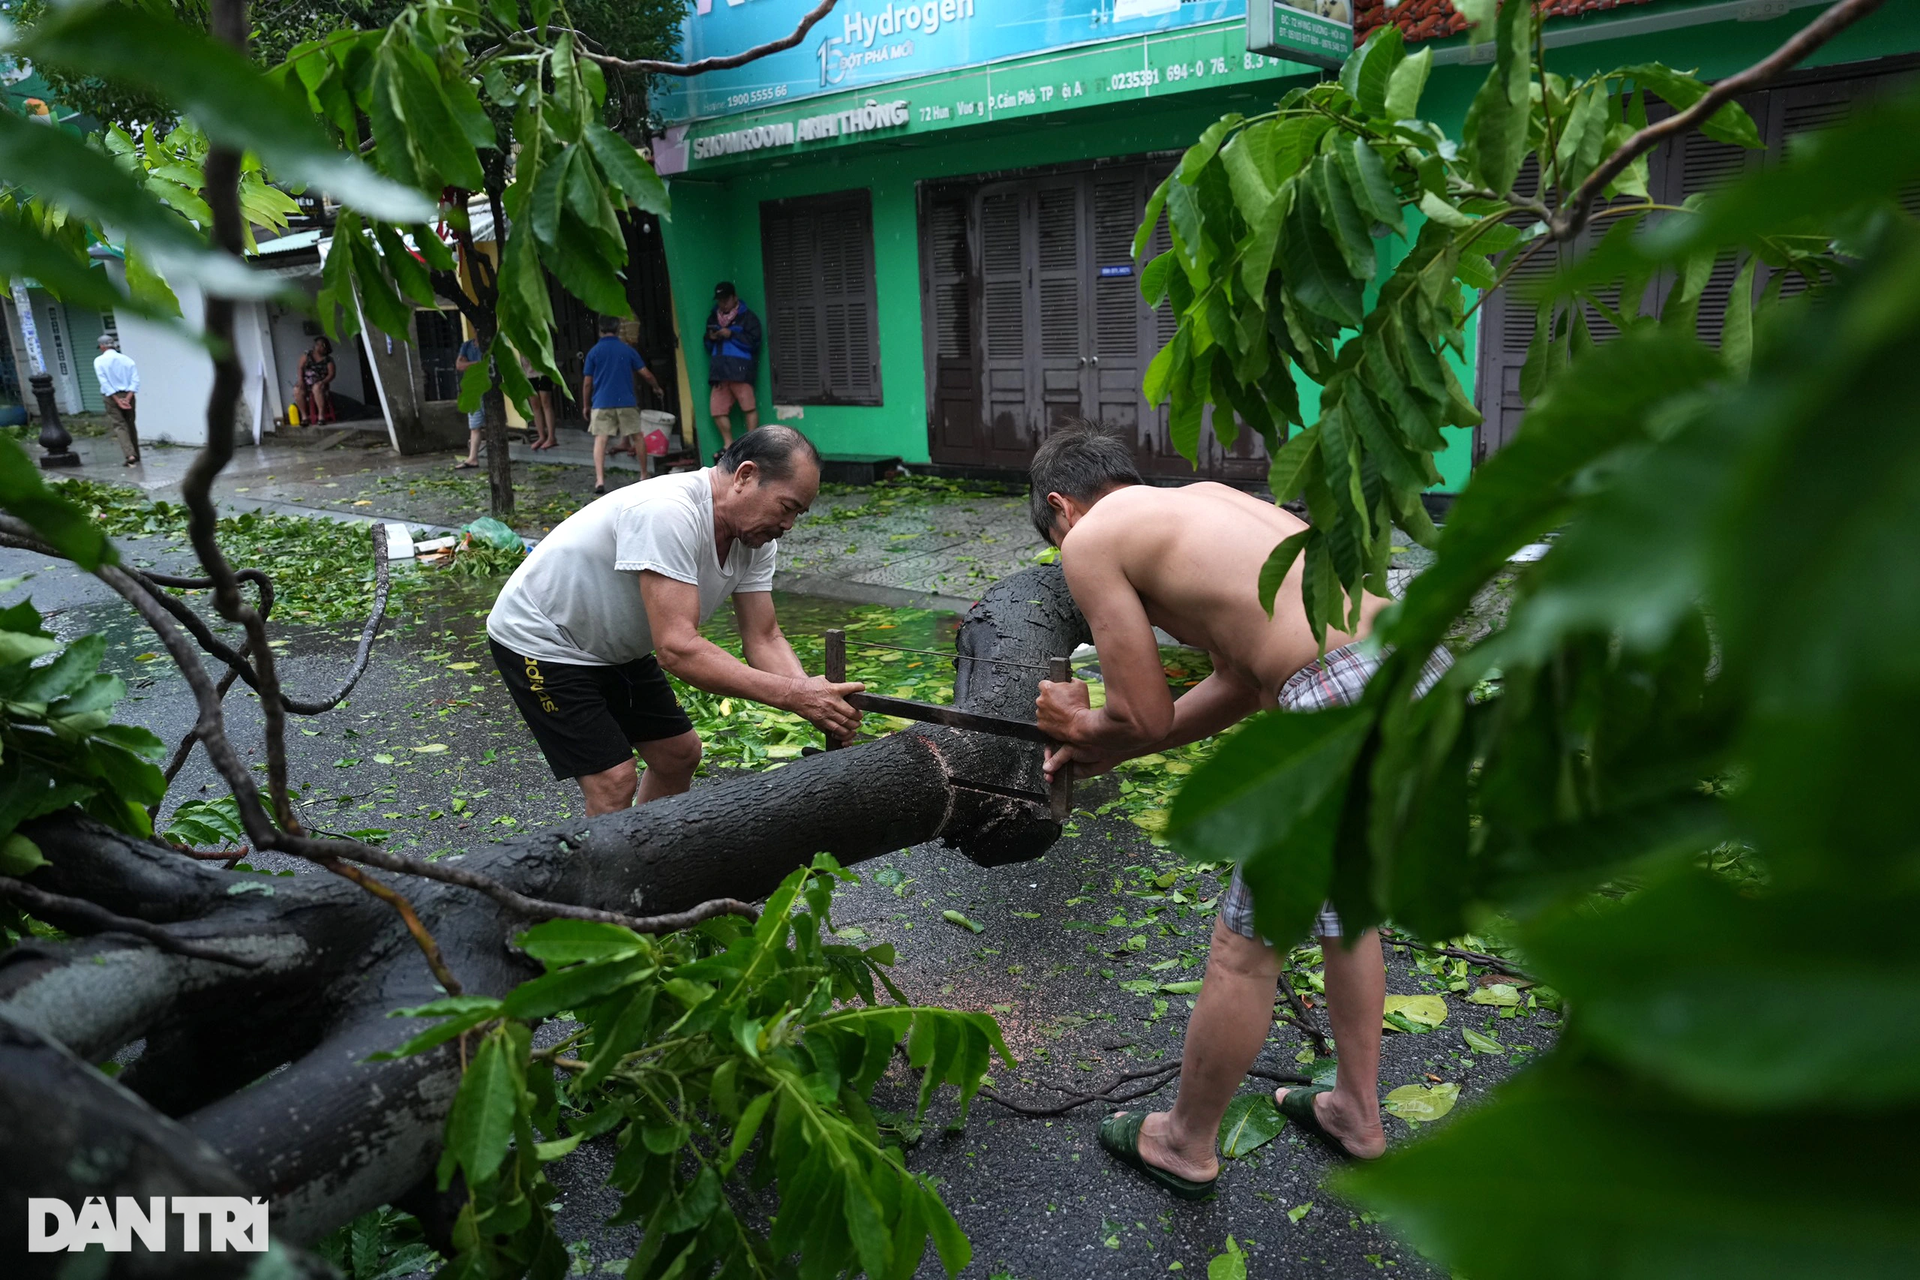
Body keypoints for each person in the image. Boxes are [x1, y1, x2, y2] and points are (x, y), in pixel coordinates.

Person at [1027, 422, 1452, 1193]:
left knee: (1244, 947)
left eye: (1057, 537)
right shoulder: (1208, 502)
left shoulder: (1090, 543)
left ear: (1063, 508)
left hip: (1339, 701)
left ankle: (1184, 1143)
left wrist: (1075, 723)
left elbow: (1145, 715)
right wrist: (1113, 747)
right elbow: (1245, 681)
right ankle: (1355, 1110)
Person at [486, 427, 863, 816]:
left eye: (798, 514)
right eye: (787, 507)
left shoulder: (754, 540)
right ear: (745, 476)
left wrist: (818, 702)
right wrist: (793, 695)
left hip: (615, 644)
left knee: (678, 755)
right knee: (613, 780)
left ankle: (650, 861)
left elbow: (764, 638)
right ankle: (610, 875)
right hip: (543, 639)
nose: (788, 525)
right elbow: (677, 649)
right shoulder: (668, 511)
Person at [582, 315, 664, 494]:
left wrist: (585, 405)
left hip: (601, 402)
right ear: (618, 329)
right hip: (626, 400)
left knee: (600, 439)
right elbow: (646, 374)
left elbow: (587, 383)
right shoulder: (627, 350)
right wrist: (656, 387)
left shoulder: (594, 352)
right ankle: (643, 475)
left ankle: (600, 480)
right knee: (637, 437)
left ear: (600, 330)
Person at [704, 281, 761, 453]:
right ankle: (728, 444)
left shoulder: (748, 317)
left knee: (748, 407)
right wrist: (711, 337)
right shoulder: (713, 317)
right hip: (720, 371)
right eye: (720, 300)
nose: (722, 304)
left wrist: (732, 335)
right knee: (717, 410)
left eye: (726, 300)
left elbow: (755, 342)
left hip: (740, 369)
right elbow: (706, 344)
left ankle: (751, 444)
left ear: (734, 298)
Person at [93, 333, 140, 467]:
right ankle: (136, 454)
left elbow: (104, 382)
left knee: (119, 425)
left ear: (102, 347)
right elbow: (135, 380)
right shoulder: (127, 360)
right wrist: (128, 398)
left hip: (111, 397)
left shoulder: (99, 361)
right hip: (129, 395)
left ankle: (130, 455)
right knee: (131, 424)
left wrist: (117, 400)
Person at [454, 335, 490, 470]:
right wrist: (476, 364)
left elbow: (485, 364)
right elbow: (459, 365)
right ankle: (472, 458)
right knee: (475, 426)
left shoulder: (488, 343)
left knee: (491, 423)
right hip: (472, 389)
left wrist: (469, 364)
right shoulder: (467, 345)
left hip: (487, 386)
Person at [295, 336, 336, 427]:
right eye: (317, 345)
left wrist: (323, 382)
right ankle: (304, 417)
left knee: (317, 388)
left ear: (325, 348)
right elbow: (300, 367)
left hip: (321, 383)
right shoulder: (307, 355)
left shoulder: (328, 359)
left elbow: (331, 374)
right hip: (306, 381)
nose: (318, 347)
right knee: (297, 390)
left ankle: (321, 416)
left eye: (321, 346)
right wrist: (301, 380)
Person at [523, 353, 558, 451]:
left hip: (543, 371)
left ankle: (551, 437)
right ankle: (541, 436)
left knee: (546, 402)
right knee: (534, 404)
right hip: (528, 372)